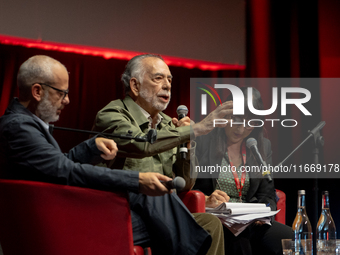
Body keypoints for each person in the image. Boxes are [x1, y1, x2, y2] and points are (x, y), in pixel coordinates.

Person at [0, 55, 222, 255]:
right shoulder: (19, 128)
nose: (67, 100)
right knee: (160, 208)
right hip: (55, 220)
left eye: (170, 80)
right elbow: (64, 171)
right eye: (62, 93)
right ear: (38, 91)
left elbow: (57, 164)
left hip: (61, 213)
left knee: (191, 225)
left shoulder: (26, 125)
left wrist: (91, 147)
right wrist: (137, 181)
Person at [92, 54, 233, 255]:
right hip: (120, 213)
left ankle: (186, 240)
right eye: (158, 78)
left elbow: (186, 182)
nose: (167, 85)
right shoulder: (112, 115)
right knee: (154, 189)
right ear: (135, 85)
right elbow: (141, 145)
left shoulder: (170, 124)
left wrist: (188, 144)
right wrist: (195, 129)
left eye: (169, 80)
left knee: (209, 223)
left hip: (162, 215)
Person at [193, 87, 293, 255]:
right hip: (218, 219)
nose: (241, 129)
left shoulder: (261, 146)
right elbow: (188, 188)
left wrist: (264, 214)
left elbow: (267, 194)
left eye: (250, 123)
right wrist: (206, 199)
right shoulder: (203, 141)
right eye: (237, 120)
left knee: (288, 237)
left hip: (250, 221)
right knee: (240, 242)